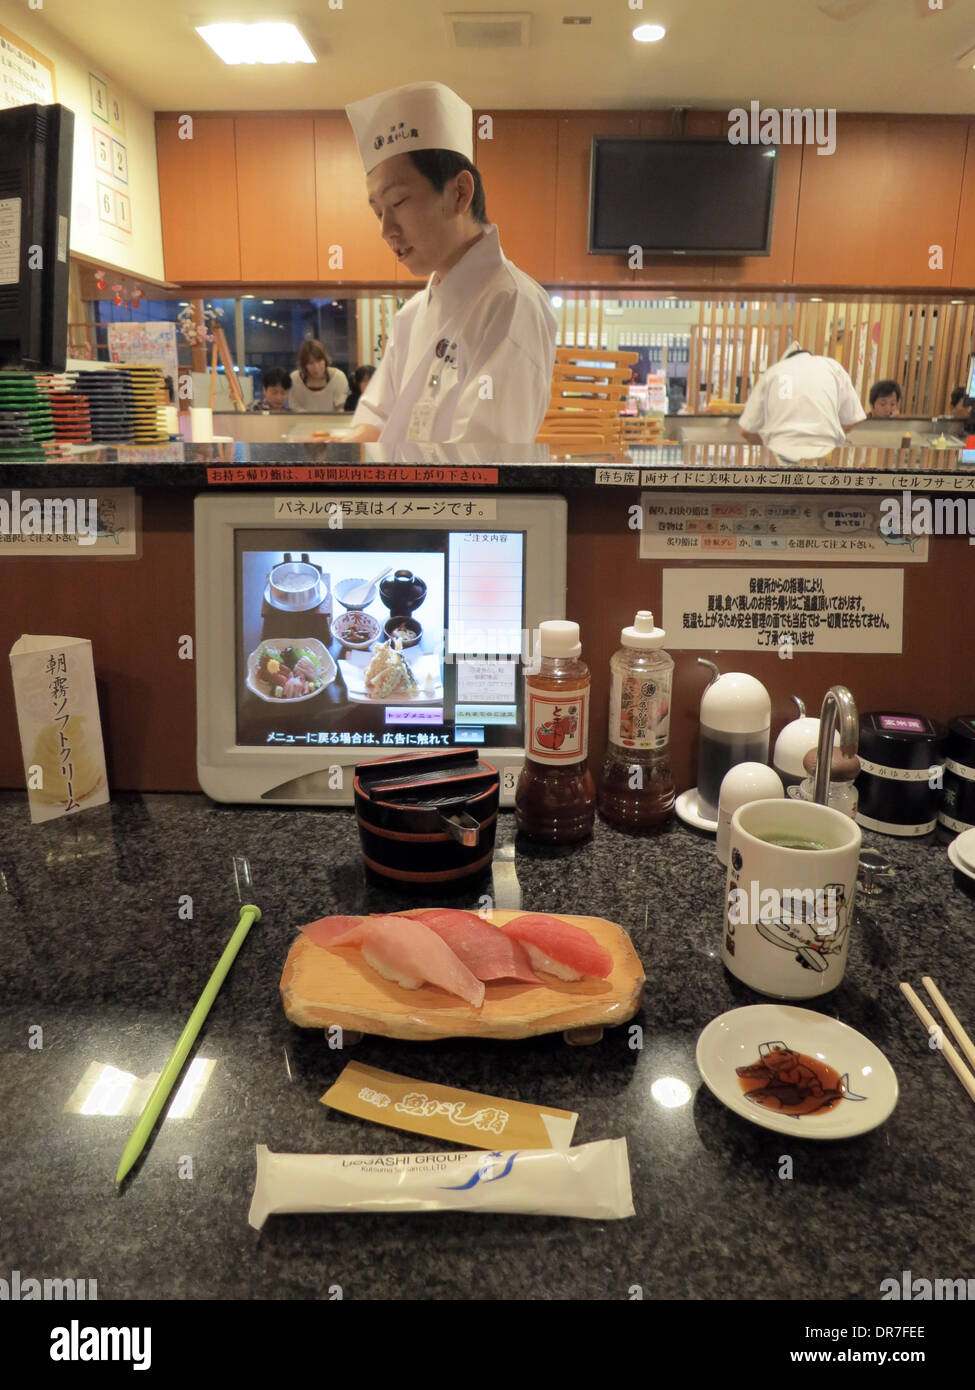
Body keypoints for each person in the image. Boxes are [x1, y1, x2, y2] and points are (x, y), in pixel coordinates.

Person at [324, 80, 556, 447]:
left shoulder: (512, 303)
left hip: (455, 507)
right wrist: (346, 448)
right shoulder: (413, 313)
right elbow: (379, 418)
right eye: (377, 212)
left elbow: (483, 461)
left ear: (459, 193)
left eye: (398, 202)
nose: (386, 230)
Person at [739, 345, 866, 462]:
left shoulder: (774, 372)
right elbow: (855, 418)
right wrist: (833, 433)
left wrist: (766, 449)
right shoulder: (833, 367)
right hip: (825, 452)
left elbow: (745, 431)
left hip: (781, 451)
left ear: (786, 359)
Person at [289, 340, 349, 412]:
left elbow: (340, 409)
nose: (316, 367)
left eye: (319, 361)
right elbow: (294, 407)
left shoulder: (338, 377)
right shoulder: (295, 379)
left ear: (325, 359)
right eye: (311, 363)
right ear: (304, 365)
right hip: (303, 422)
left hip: (332, 422)